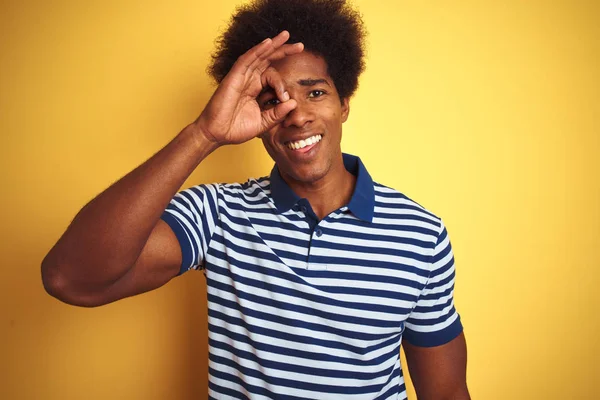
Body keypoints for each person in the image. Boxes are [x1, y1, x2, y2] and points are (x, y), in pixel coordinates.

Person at [41, 0, 470, 398]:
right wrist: (203, 135)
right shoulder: (217, 214)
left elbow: (446, 392)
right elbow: (71, 279)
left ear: (344, 104)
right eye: (272, 101)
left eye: (314, 92)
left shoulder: (420, 234)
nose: (296, 115)